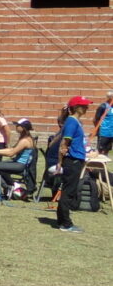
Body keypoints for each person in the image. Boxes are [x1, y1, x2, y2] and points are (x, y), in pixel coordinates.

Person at [55, 96, 91, 233]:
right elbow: (64, 144)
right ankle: (66, 223)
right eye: (84, 106)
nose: (87, 108)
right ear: (76, 108)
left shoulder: (75, 122)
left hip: (76, 159)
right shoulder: (72, 122)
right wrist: (59, 162)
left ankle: (61, 220)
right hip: (72, 161)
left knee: (67, 191)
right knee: (68, 193)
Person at [0, 119, 37, 194]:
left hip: (20, 165)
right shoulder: (24, 138)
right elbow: (12, 149)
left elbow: (11, 153)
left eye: (18, 125)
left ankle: (8, 187)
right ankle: (11, 185)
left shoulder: (25, 141)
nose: (16, 127)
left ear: (23, 128)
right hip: (17, 163)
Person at [92, 91, 113, 156]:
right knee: (100, 151)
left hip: (111, 133)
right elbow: (95, 120)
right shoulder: (103, 106)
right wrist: (99, 129)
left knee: (107, 151)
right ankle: (96, 165)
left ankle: (104, 165)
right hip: (104, 132)